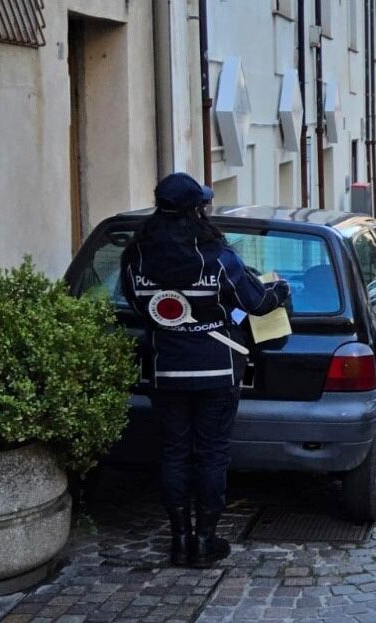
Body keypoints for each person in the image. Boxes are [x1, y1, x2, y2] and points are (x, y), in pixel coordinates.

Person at [120, 172, 290, 568]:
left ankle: (178, 540)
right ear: (197, 209)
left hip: (166, 369)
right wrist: (280, 290)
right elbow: (257, 302)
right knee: (212, 453)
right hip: (216, 368)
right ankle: (205, 540)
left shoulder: (137, 255)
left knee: (174, 452)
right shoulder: (216, 256)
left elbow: (135, 303)